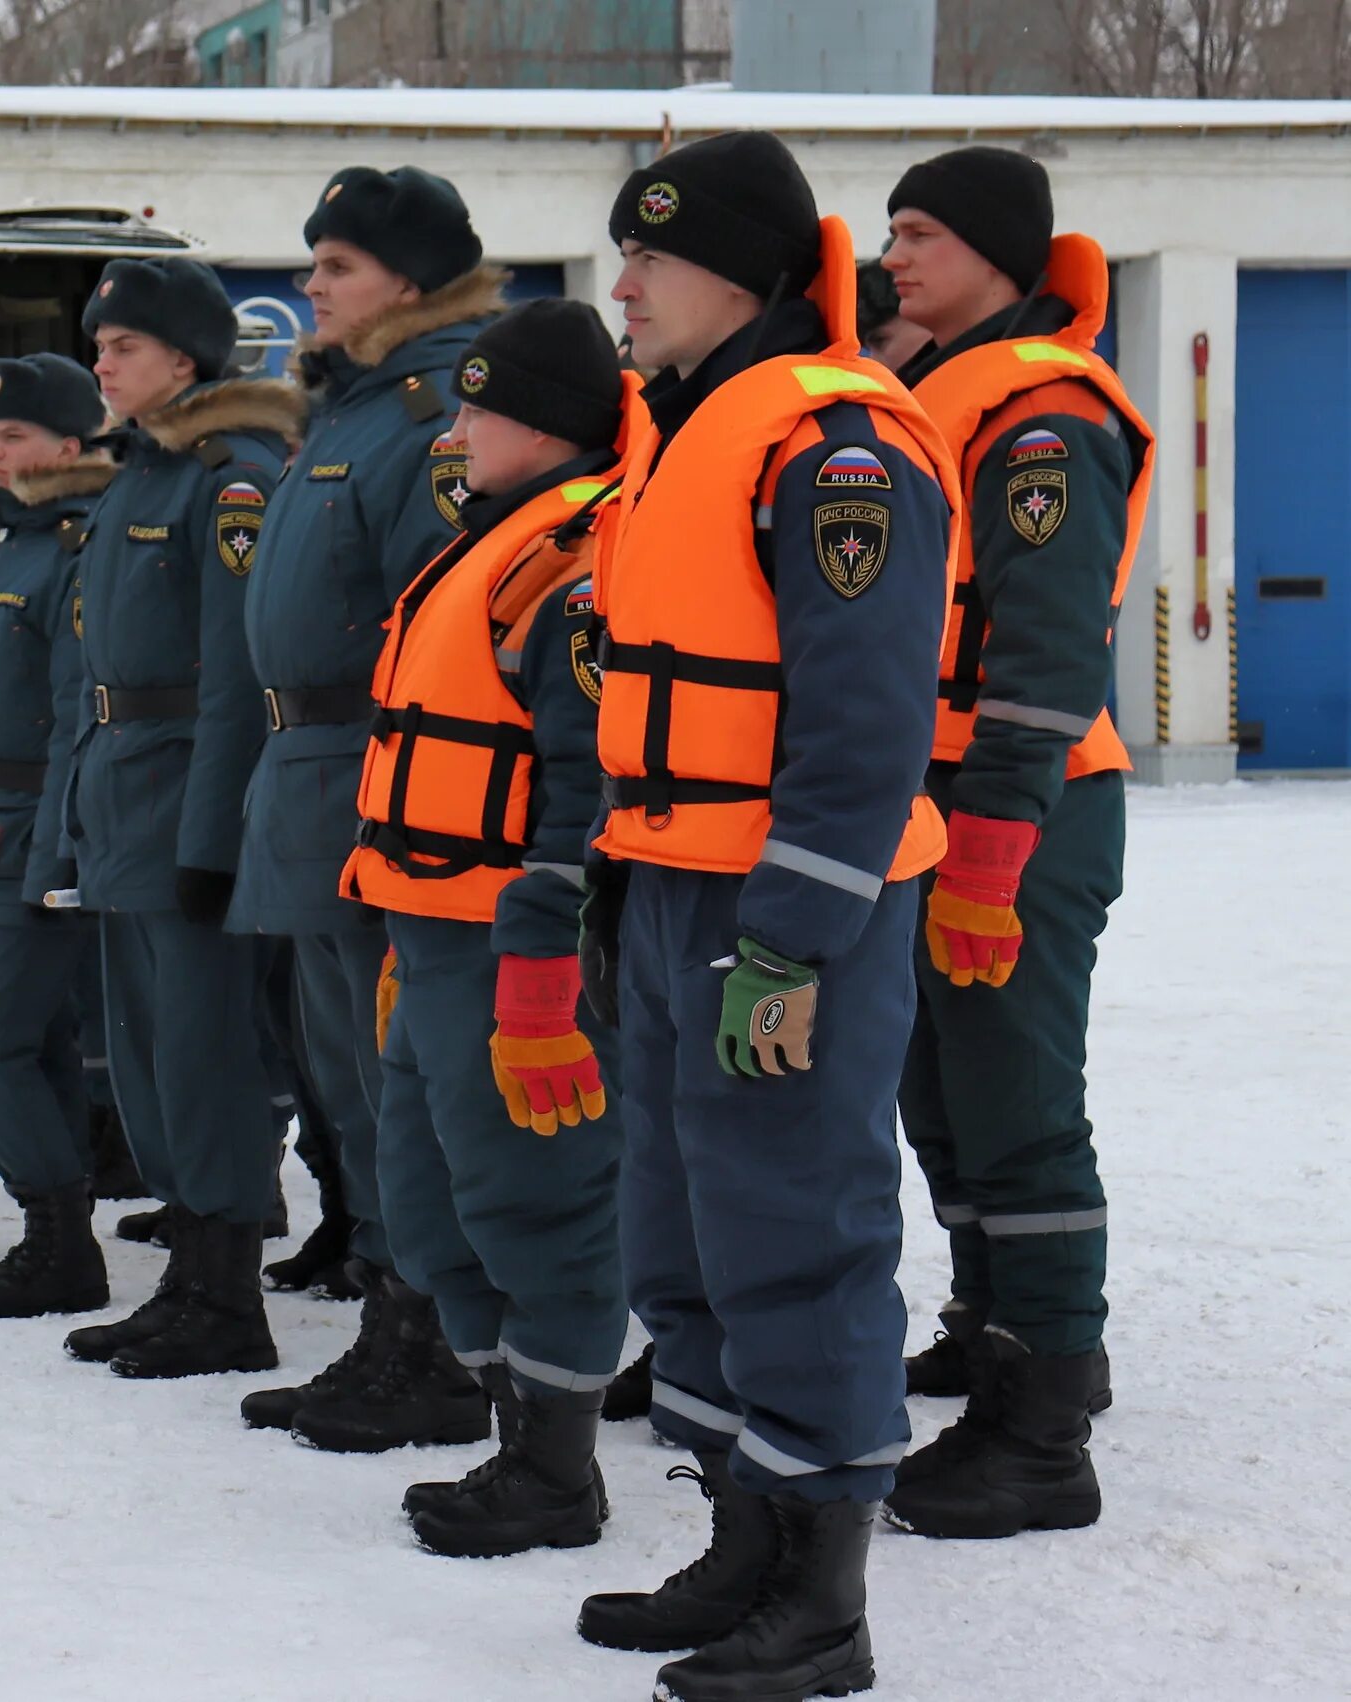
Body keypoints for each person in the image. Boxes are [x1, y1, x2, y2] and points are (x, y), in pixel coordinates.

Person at [573, 135, 957, 1701]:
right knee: (685, 1231)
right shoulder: (680, 428)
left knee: (800, 1230)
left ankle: (824, 1590)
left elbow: (863, 719)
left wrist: (794, 933)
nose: (624, 285)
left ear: (744, 274)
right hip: (670, 881)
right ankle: (742, 1533)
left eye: (652, 259)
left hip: (788, 896)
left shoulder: (841, 442)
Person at [877, 147, 1147, 1541]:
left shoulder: (1042, 418)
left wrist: (989, 846)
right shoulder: (938, 391)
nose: (896, 255)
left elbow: (1044, 651)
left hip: (1019, 804)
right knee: (946, 1093)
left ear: (998, 252)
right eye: (891, 231)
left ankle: (1046, 1425)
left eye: (920, 232)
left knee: (1020, 1107)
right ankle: (989, 1325)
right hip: (937, 800)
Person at [341, 298, 634, 1554]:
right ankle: (509, 1427)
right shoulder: (487, 541)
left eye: (479, 409)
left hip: (520, 942)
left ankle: (556, 1470)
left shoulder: (576, 561)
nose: (454, 432)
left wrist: (543, 969)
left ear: (547, 427)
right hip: (433, 928)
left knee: (538, 1198)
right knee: (427, 1196)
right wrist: (413, 944)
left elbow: (583, 791)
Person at [226, 164, 503, 1450]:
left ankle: (440, 1341)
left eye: (334, 265)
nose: (309, 287)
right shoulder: (347, 413)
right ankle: (395, 1319)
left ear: (408, 278)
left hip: (385, 777)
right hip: (313, 777)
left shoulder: (436, 408)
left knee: (406, 1077)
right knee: (348, 1074)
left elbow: (450, 619)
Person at [50, 256, 303, 1380]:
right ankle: (189, 1275)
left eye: (123, 348)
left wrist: (212, 843)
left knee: (204, 1057)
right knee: (150, 1057)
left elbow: (237, 676)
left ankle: (226, 1294)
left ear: (187, 359)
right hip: (125, 793)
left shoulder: (228, 477)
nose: (102, 363)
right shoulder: (142, 474)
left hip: (186, 794)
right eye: (99, 346)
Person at [0, 354, 117, 1318]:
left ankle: (58, 1238)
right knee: (31, 1041)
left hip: (32, 830)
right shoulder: (9, 545)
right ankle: (59, 1240)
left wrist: (57, 855)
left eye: (16, 439)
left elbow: (76, 713)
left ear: (72, 447)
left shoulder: (73, 553)